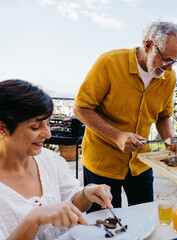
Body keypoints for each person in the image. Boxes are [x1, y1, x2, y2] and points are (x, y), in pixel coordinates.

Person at [74, 21, 177, 212]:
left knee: (145, 219)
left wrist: (170, 140)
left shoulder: (169, 78)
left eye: (174, 61)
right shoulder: (108, 63)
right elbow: (81, 108)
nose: (169, 68)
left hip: (140, 164)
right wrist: (117, 136)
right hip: (102, 164)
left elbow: (163, 116)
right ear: (148, 45)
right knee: (105, 225)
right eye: (166, 59)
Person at [0, 79, 113, 240]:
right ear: (2, 127)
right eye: (35, 127)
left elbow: (72, 205)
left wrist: (87, 193)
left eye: (48, 124)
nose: (48, 134)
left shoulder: (50, 161)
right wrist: (34, 219)